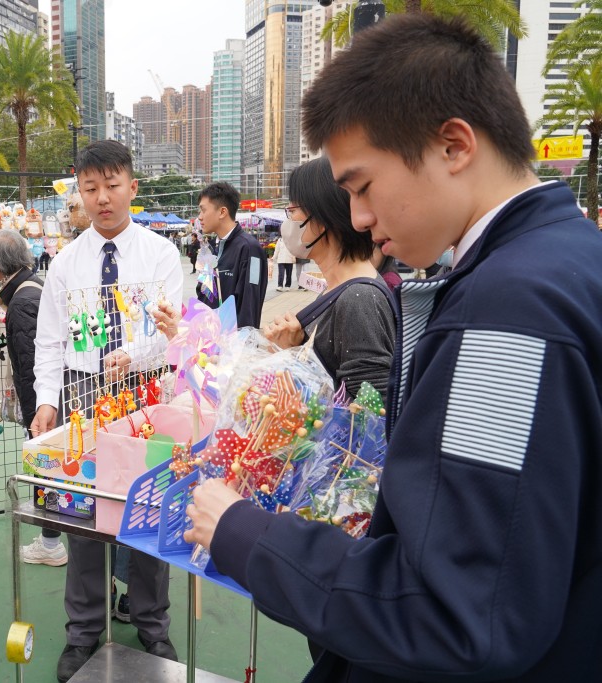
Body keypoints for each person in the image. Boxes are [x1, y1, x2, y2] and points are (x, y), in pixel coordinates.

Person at [186, 14, 602, 682]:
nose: (358, 218)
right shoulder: (568, 260)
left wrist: (247, 535)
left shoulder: (509, 308)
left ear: (454, 146)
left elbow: (458, 610)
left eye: (362, 185)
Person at [31, 140, 182, 681]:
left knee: (148, 507)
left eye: (112, 186)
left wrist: (135, 354)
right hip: (82, 395)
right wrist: (48, 402)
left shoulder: (162, 255)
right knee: (83, 514)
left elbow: (172, 335)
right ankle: (84, 632)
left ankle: (151, 625)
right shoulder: (66, 262)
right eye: (90, 188)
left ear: (132, 188)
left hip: (146, 393)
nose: (101, 198)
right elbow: (48, 342)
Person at [263, 158, 395, 401]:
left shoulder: (360, 298)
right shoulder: (339, 288)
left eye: (293, 212)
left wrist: (294, 353)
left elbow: (369, 413)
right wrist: (297, 346)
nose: (288, 223)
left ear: (322, 219)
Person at [0, 229, 67, 568]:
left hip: (41, 404)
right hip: (46, 400)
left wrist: (34, 415)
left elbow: (34, 365)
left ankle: (50, 543)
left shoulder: (22, 300)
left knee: (44, 468)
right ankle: (52, 539)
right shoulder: (31, 287)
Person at [194, 182, 267, 328]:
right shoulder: (214, 248)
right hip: (211, 339)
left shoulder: (250, 249)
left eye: (203, 210)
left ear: (222, 212)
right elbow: (205, 293)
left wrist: (242, 345)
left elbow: (249, 303)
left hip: (234, 343)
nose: (199, 217)